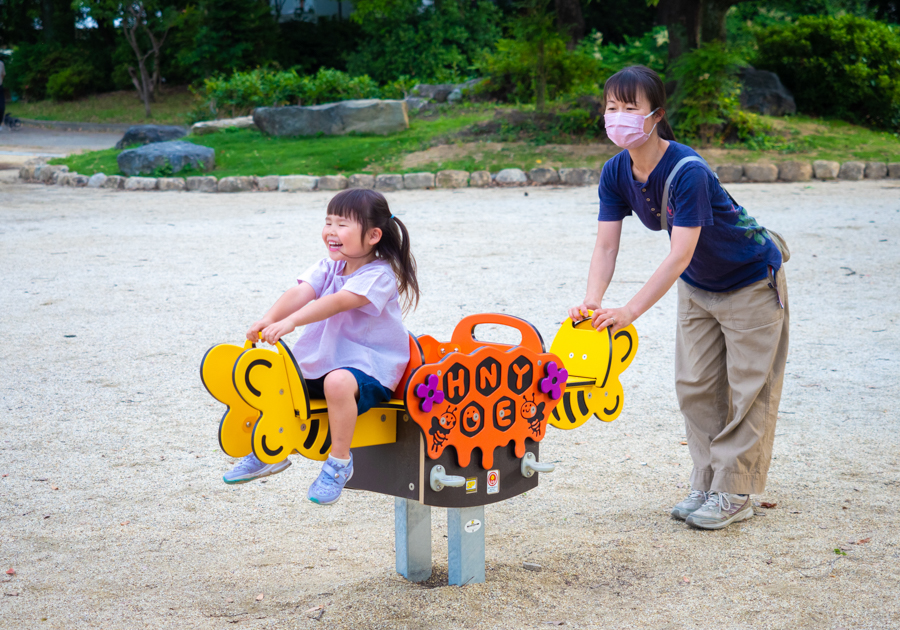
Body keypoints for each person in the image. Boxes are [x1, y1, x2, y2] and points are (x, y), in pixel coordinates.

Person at [568, 65, 789, 530]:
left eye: (631, 108)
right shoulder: (616, 170)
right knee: (695, 386)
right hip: (699, 286)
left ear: (656, 115)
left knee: (749, 387)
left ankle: (736, 489)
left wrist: (629, 311)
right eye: (612, 108)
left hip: (749, 279)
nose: (619, 117)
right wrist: (592, 302)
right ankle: (707, 480)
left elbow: (679, 253)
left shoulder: (686, 170)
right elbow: (606, 244)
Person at [224, 188, 420, 505]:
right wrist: (269, 317)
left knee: (337, 381)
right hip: (324, 361)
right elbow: (300, 292)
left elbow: (337, 302)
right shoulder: (328, 267)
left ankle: (339, 463)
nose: (331, 231)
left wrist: (291, 323)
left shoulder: (378, 275)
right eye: (328, 222)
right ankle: (270, 450)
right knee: (274, 380)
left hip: (368, 372)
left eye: (342, 224)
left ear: (372, 235)